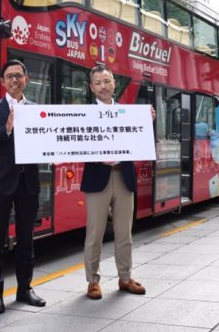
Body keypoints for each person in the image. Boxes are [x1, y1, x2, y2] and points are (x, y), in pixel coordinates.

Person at [0, 59, 46, 314]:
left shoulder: (37, 109)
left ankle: (25, 289)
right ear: (3, 82)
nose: (14, 80)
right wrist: (4, 130)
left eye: (19, 75)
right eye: (9, 76)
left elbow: (45, 142)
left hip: (28, 183)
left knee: (26, 238)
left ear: (26, 79)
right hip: (1, 182)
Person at [82, 65, 155, 300]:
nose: (103, 86)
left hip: (123, 176)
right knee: (95, 234)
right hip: (97, 177)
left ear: (114, 83)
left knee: (125, 233)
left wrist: (148, 122)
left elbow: (141, 142)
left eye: (107, 81)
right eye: (98, 83)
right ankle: (93, 282)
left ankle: (125, 278)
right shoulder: (82, 115)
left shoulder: (129, 113)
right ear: (91, 87)